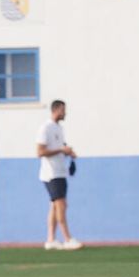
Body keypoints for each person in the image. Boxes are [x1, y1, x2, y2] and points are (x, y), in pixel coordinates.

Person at [37, 99, 81, 251]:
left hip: (60, 172)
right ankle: (68, 239)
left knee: (55, 206)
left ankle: (50, 240)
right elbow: (40, 152)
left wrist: (68, 151)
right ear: (55, 110)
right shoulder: (46, 128)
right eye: (63, 110)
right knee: (61, 205)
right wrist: (62, 150)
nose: (65, 113)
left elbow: (60, 147)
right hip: (51, 173)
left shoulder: (59, 128)